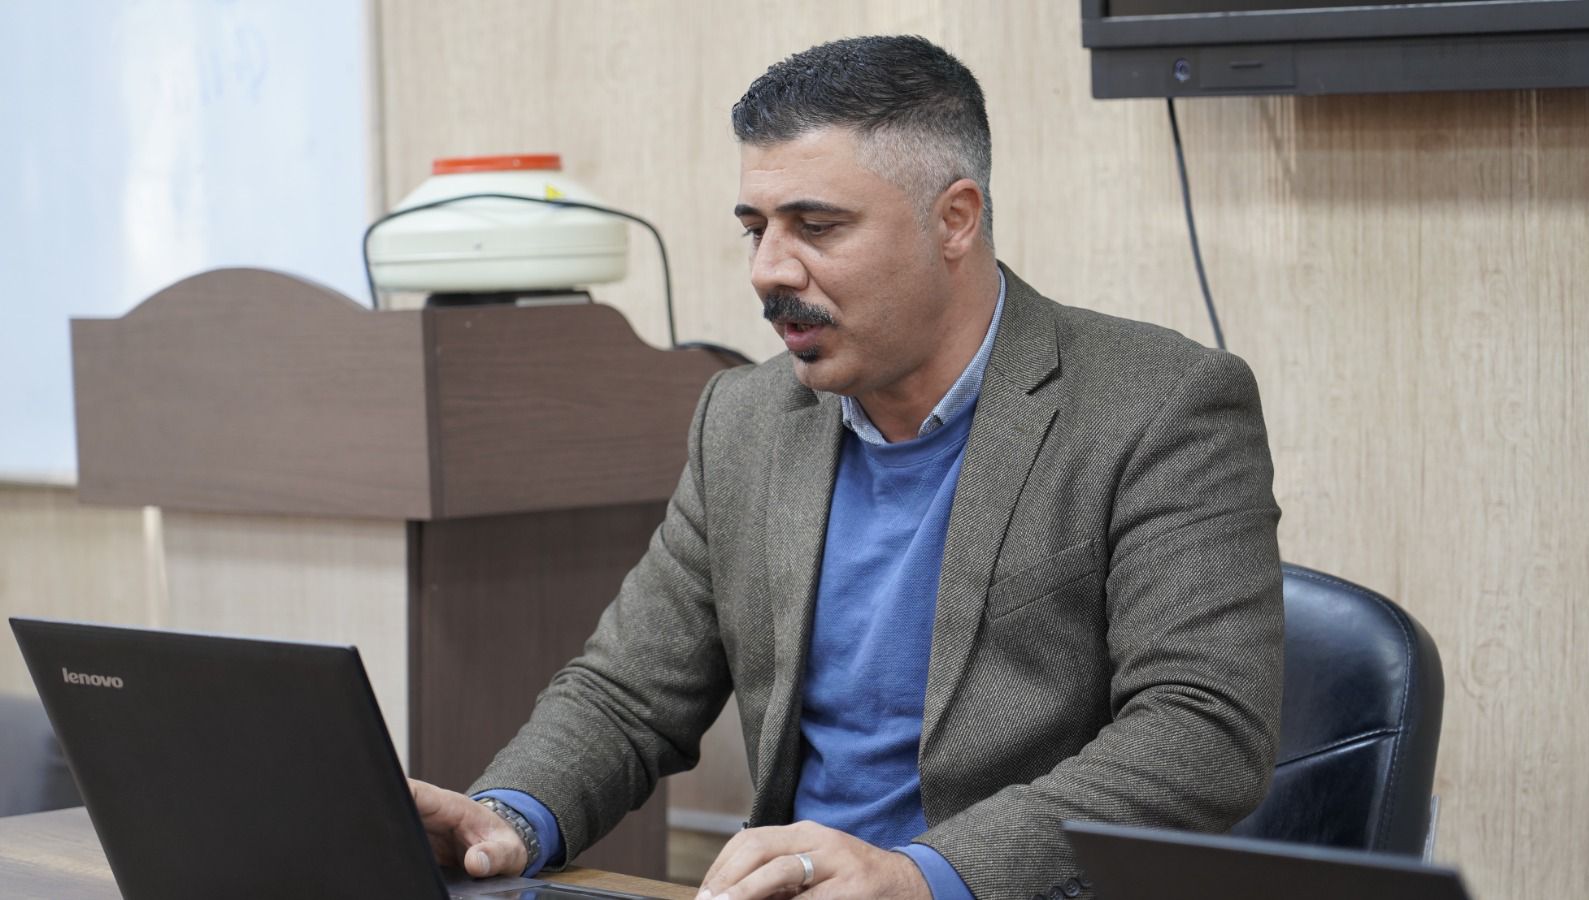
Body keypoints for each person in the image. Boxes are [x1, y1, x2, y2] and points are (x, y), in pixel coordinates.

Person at [408, 35, 1283, 900]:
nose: (768, 271)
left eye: (817, 227)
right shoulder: (743, 419)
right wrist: (509, 817)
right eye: (756, 230)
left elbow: (1202, 733)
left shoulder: (1158, 404)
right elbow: (629, 692)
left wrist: (920, 877)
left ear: (955, 219)